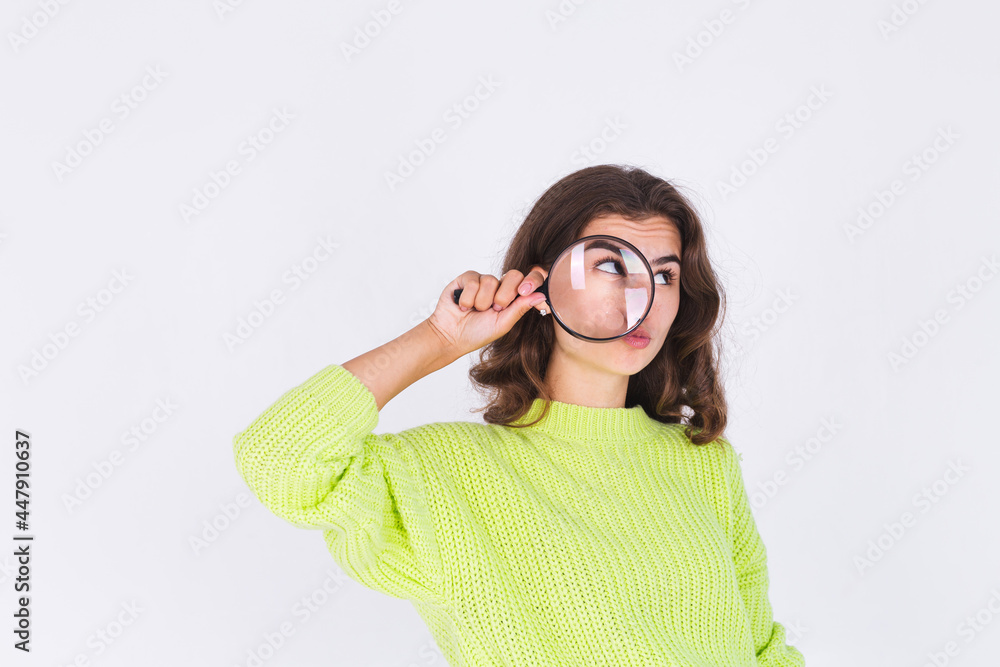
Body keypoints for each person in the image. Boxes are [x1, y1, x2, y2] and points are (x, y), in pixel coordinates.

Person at [233, 164, 807, 666]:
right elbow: (281, 458)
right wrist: (439, 337)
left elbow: (761, 650)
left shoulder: (703, 463)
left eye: (665, 275)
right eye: (611, 267)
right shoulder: (445, 473)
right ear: (542, 283)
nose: (644, 299)